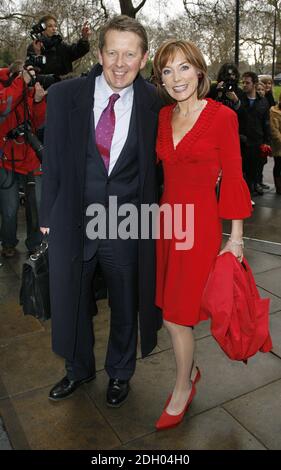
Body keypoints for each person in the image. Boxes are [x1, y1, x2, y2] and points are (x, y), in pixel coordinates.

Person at [39, 15, 162, 406]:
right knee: (70, 300)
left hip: (127, 223)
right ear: (100, 53)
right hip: (73, 219)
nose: (120, 62)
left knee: (126, 302)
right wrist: (45, 218)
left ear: (143, 59)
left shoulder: (154, 103)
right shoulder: (64, 97)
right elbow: (53, 162)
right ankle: (78, 369)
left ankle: (120, 373)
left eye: (130, 54)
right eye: (113, 52)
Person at [152, 39, 252, 430]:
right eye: (166, 70)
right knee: (170, 310)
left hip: (199, 227)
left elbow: (234, 178)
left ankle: (182, 387)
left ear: (199, 71)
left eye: (183, 68)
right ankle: (189, 373)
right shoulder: (162, 116)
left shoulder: (222, 117)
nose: (176, 78)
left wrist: (236, 237)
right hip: (165, 223)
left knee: (178, 317)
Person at [0, 62, 46, 257]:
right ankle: (8, 243)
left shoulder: (25, 91)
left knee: (38, 202)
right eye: (24, 75)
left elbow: (38, 123)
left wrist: (37, 101)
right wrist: (20, 82)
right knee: (9, 209)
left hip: (30, 156)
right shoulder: (7, 87)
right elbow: (4, 106)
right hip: (6, 158)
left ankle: (35, 243)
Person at [26, 14, 91, 77]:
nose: (54, 28)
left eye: (55, 26)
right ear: (42, 30)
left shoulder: (61, 45)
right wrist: (38, 54)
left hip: (65, 85)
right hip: (45, 86)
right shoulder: (35, 46)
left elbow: (77, 51)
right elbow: (30, 69)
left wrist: (84, 38)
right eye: (50, 26)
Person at [240, 71, 271, 195]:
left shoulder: (263, 102)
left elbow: (266, 123)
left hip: (257, 141)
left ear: (254, 84)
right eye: (243, 82)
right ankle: (246, 191)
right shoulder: (240, 100)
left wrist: (267, 142)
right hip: (242, 140)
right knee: (244, 169)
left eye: (247, 83)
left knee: (257, 168)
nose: (244, 85)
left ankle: (255, 185)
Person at [270, 92, 281, 194]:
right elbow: (274, 130)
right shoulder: (274, 111)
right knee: (278, 164)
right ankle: (278, 187)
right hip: (279, 145)